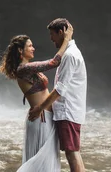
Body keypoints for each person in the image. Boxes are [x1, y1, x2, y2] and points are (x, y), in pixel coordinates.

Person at [0, 24, 73, 172]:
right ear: (21, 50)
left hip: (44, 117)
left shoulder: (27, 68)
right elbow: (54, 62)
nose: (33, 48)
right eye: (30, 46)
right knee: (42, 163)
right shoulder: (24, 69)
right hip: (41, 118)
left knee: (46, 160)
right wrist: (67, 40)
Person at [28, 18, 87, 172]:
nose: (50, 38)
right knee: (74, 152)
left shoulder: (69, 55)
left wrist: (40, 108)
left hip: (68, 112)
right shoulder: (71, 52)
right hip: (71, 111)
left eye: (52, 34)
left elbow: (61, 89)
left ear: (61, 32)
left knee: (71, 153)